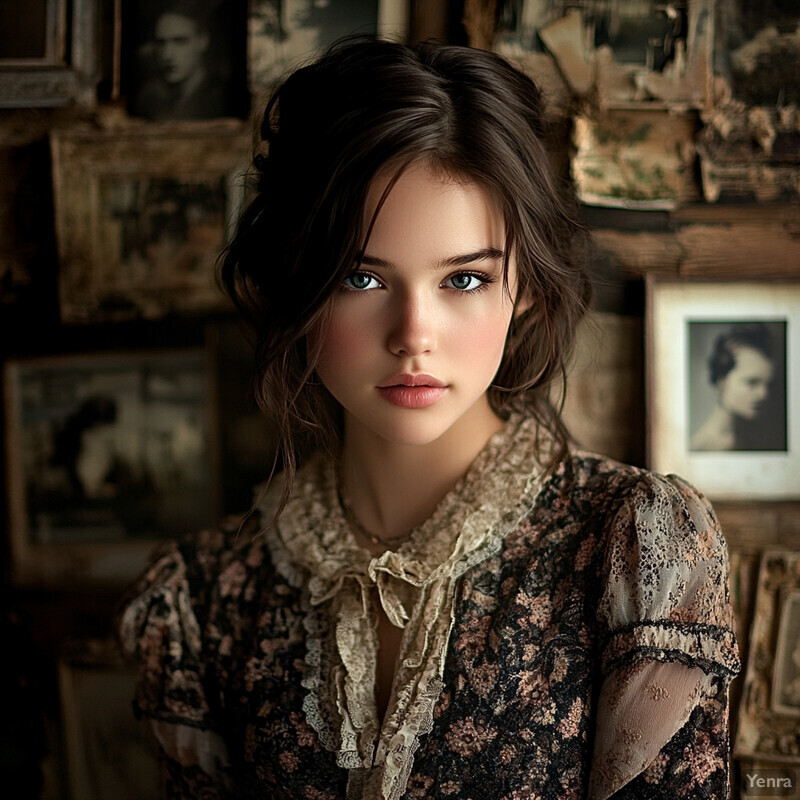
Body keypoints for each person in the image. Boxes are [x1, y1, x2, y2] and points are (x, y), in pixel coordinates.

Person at [119, 38, 740, 799]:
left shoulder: (634, 551)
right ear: (297, 285)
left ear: (529, 290)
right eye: (363, 275)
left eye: (465, 278)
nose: (414, 333)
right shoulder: (205, 599)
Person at [131, 2, 226, 120]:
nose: (167, 55)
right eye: (161, 43)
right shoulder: (150, 98)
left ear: (203, 40)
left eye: (180, 41)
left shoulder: (221, 97)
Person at [690, 322, 777, 451]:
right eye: (752, 382)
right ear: (722, 381)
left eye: (767, 384)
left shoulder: (751, 439)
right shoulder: (705, 446)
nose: (763, 394)